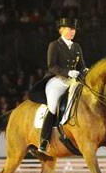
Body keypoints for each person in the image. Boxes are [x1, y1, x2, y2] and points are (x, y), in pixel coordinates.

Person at [29, 18, 87, 153]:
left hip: (73, 81)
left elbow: (81, 65)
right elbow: (52, 66)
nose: (72, 32)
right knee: (54, 106)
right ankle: (44, 140)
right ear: (61, 30)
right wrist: (68, 72)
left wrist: (85, 70)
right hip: (57, 80)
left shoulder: (76, 46)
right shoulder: (54, 45)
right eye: (69, 29)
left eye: (74, 29)